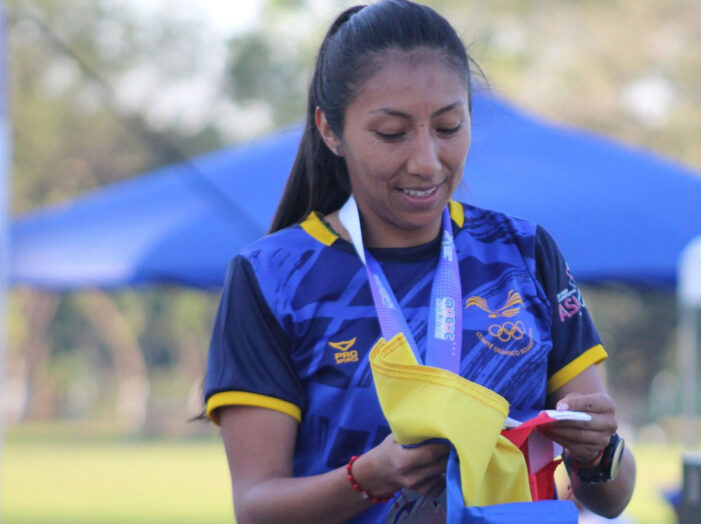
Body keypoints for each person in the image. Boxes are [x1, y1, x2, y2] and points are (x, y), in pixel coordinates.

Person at [202, 2, 636, 523]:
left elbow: (613, 497)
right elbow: (256, 508)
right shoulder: (272, 277)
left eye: (449, 127)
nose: (427, 162)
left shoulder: (523, 254)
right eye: (392, 133)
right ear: (330, 130)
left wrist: (598, 452)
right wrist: (369, 477)